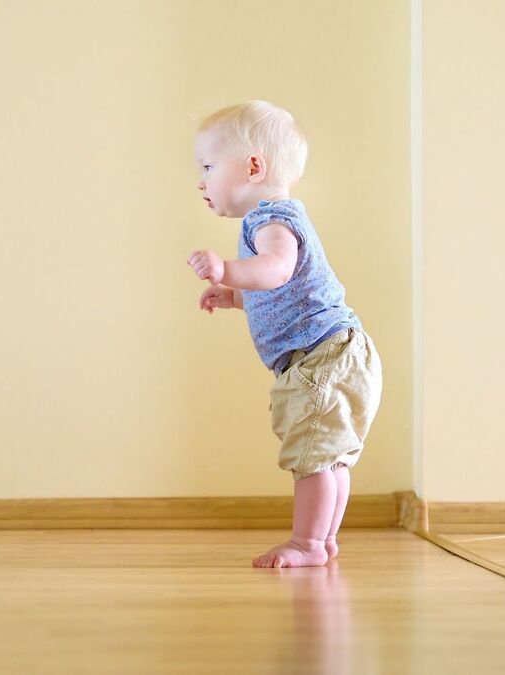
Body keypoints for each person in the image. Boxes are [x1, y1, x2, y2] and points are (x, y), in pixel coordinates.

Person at [186, 100, 382, 568]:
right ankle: (324, 538)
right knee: (329, 457)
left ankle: (308, 543)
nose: (201, 180)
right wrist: (234, 296)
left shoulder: (271, 220)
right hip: (337, 351)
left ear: (254, 166)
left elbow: (277, 270)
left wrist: (227, 269)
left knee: (312, 456)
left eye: (209, 166)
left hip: (320, 356)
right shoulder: (278, 217)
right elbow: (281, 289)